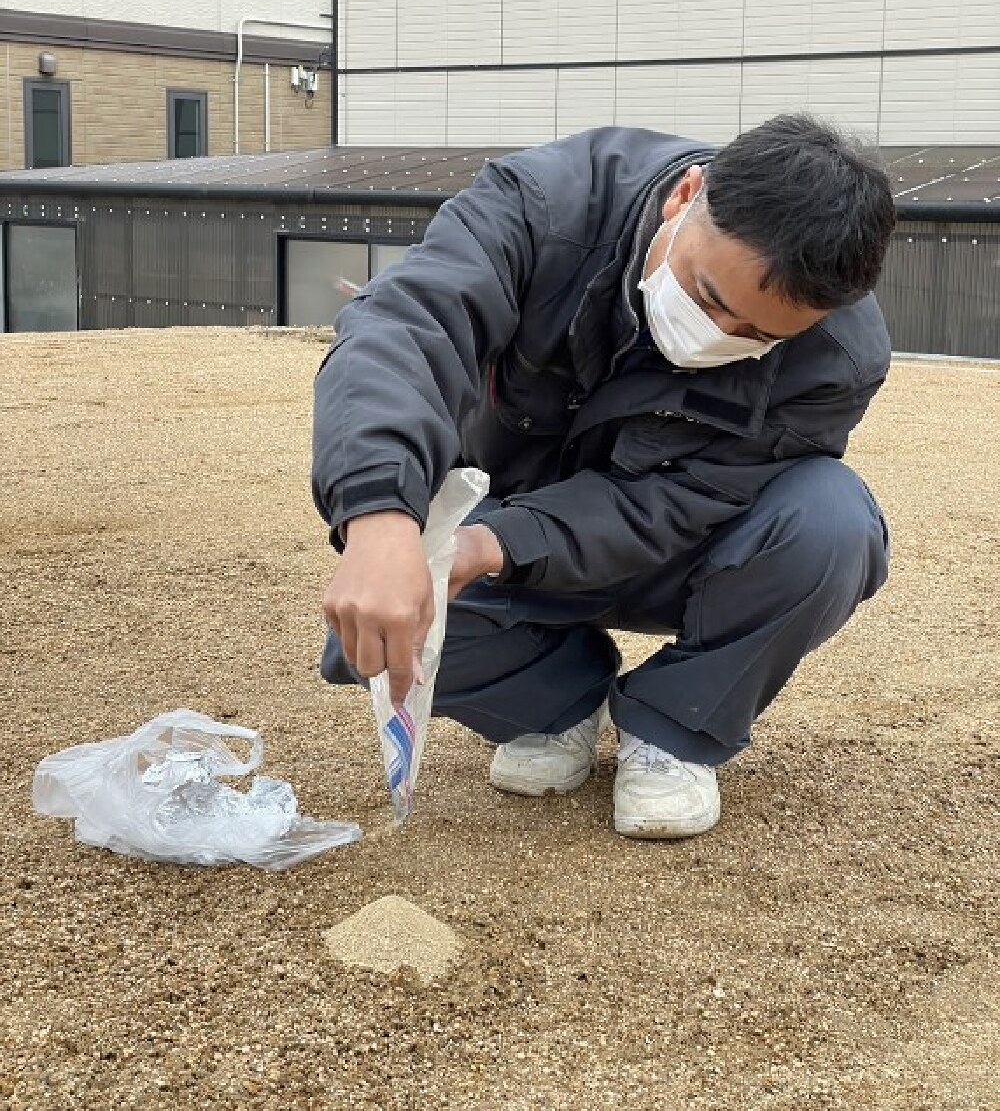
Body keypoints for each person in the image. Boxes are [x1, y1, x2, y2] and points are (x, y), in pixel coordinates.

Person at [312, 114, 894, 839]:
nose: (717, 336)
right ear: (687, 193)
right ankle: (557, 703)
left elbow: (681, 500)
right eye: (709, 297)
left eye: (759, 336)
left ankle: (677, 727)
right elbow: (406, 328)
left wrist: (492, 547)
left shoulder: (838, 354)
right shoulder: (545, 204)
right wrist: (381, 516)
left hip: (673, 547)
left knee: (832, 523)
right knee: (371, 633)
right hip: (513, 518)